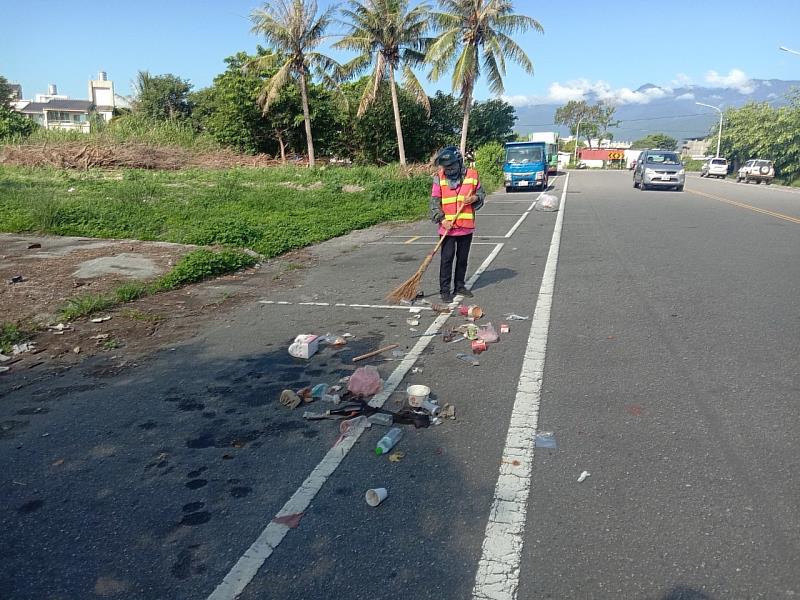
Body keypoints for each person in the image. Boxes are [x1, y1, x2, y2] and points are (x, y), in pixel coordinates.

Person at [429, 146, 486, 303]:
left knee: (462, 259)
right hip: (447, 227)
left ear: (459, 162)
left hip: (466, 227)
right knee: (446, 259)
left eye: (452, 166)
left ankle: (459, 285)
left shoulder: (472, 175)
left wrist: (474, 199)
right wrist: (442, 219)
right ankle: (445, 290)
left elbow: (481, 194)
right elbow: (434, 202)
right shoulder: (439, 178)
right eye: (445, 167)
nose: (448, 170)